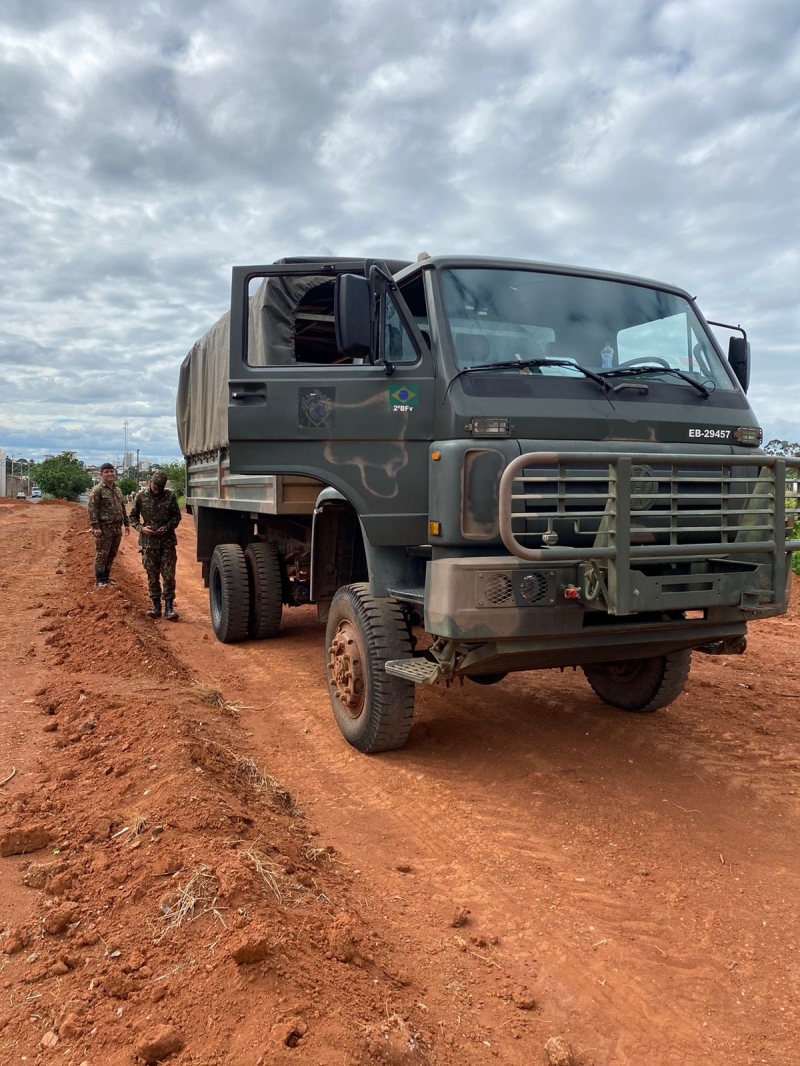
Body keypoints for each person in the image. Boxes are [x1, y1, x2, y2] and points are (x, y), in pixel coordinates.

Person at [129, 470, 182, 620]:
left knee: (169, 575)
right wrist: (141, 528)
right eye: (155, 487)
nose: (157, 490)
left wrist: (167, 527)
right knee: (152, 575)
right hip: (149, 543)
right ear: (150, 482)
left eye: (160, 488)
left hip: (167, 542)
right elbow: (132, 517)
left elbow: (176, 516)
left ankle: (169, 608)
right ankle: (156, 606)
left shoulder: (170, 496)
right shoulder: (141, 496)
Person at [87, 463, 130, 587]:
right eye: (106, 472)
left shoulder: (117, 490)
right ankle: (99, 580)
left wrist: (126, 524)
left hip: (116, 528)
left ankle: (106, 578)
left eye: (112, 471)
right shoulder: (97, 490)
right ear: (101, 475)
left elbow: (122, 507)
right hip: (104, 529)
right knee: (102, 554)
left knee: (112, 554)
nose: (110, 474)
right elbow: (92, 509)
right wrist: (95, 527)